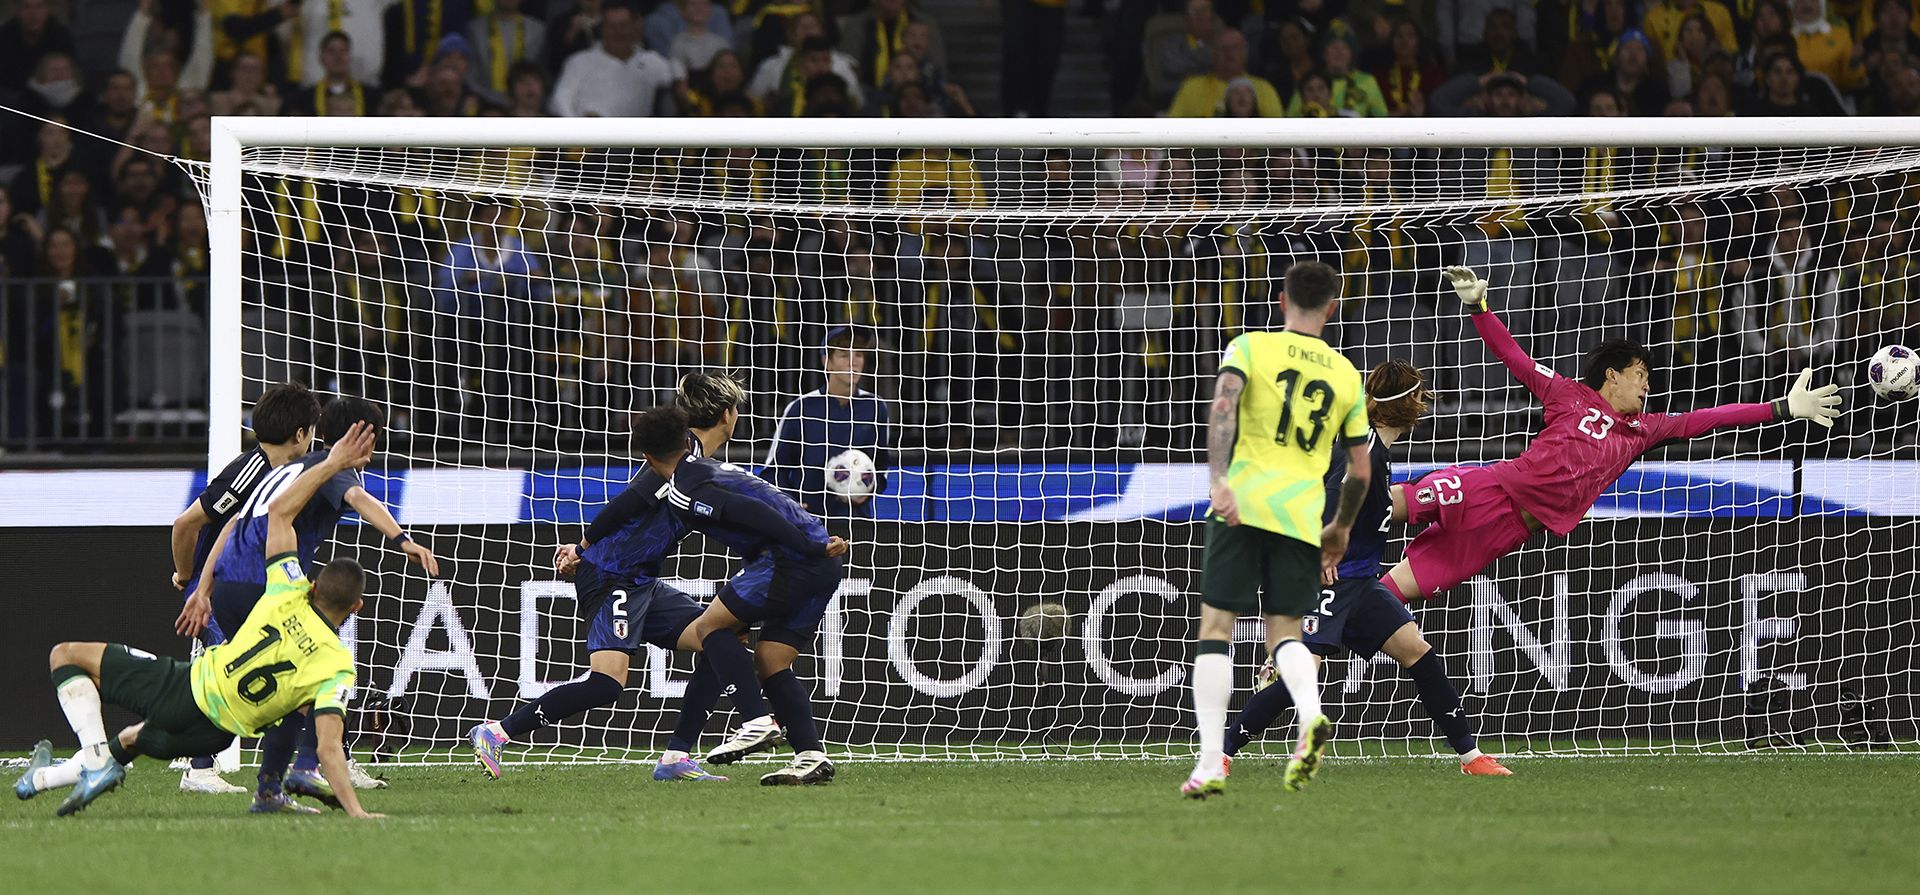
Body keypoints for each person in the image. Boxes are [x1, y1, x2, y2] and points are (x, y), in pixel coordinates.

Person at [1380, 267, 1843, 606]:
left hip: (1508, 531)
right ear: (1612, 376)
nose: (1646, 385)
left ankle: (1329, 616)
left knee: (1391, 594)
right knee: (1391, 505)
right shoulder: (1567, 394)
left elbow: (1709, 418)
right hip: (1492, 488)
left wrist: (1781, 408)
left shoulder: (1644, 431)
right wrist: (1479, 308)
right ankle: (1317, 536)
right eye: (1639, 374)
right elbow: (1516, 359)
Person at [15, 422, 385, 819]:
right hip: (216, 733)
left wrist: (332, 462)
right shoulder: (336, 663)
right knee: (131, 739)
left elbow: (279, 513)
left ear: (311, 588)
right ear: (358, 606)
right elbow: (330, 746)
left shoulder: (285, 594)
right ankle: (42, 781)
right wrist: (358, 814)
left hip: (189, 691)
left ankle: (94, 760)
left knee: (65, 657)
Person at [470, 373, 770, 783]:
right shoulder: (683, 455)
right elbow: (629, 499)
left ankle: (676, 757)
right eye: (737, 408)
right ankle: (496, 732)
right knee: (608, 683)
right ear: (727, 415)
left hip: (639, 578)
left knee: (721, 637)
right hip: (612, 575)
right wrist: (583, 546)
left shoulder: (697, 459)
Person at [1220, 360, 1514, 777]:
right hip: (1333, 576)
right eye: (1418, 395)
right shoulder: (1366, 451)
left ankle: (1471, 757)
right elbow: (1329, 498)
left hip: (1359, 579)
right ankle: (1223, 750)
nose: (1424, 403)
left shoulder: (1373, 447)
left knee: (1418, 652)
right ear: (1405, 403)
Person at [187, 398, 439, 812]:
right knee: (321, 675)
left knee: (274, 683)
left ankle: (258, 783)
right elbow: (360, 500)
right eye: (372, 442)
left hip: (231, 583)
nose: (372, 455)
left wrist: (204, 587)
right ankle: (304, 766)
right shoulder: (327, 468)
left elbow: (231, 523)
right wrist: (403, 540)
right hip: (265, 585)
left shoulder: (284, 469)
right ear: (358, 438)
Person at [1182, 260, 1372, 800]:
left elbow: (1223, 409)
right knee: (1287, 633)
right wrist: (1338, 528)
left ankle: (1210, 763)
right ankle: (1310, 714)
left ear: (1282, 300)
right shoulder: (1344, 374)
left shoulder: (1249, 347)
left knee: (1217, 628)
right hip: (1300, 515)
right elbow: (1360, 469)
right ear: (1332, 308)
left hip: (1241, 504)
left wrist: (1219, 480)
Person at [638, 404, 852, 785]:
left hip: (794, 559)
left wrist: (808, 546)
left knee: (709, 628)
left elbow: (750, 512)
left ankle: (755, 721)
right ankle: (811, 756)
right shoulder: (710, 470)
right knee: (771, 660)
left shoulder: (687, 487)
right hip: (821, 561)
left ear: (647, 457)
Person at [168, 382, 322, 794]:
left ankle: (317, 758)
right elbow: (186, 524)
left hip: (248, 585)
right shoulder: (251, 470)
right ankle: (198, 769)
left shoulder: (287, 473)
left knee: (286, 670)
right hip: (216, 587)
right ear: (301, 434)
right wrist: (187, 578)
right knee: (233, 673)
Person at [763, 327, 894, 518]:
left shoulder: (875, 407)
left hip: (857, 521)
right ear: (827, 362)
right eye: (843, 355)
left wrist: (869, 488)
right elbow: (773, 470)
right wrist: (791, 503)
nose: (853, 361)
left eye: (858, 354)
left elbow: (881, 467)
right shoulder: (801, 408)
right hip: (807, 523)